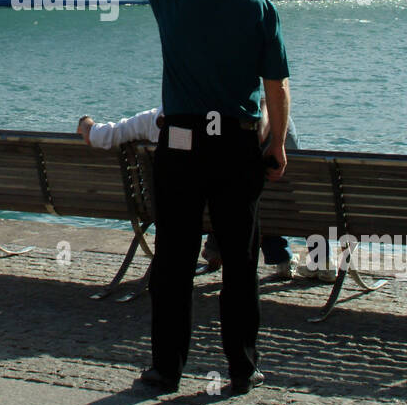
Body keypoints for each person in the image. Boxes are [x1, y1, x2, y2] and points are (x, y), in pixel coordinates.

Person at [131, 0, 290, 396]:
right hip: (237, 147)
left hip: (180, 144)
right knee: (241, 263)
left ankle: (165, 370)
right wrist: (277, 141)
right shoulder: (260, 8)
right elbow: (276, 86)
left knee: (174, 259)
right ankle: (242, 368)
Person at [77, 108, 307, 278]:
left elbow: (101, 135)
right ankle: (320, 258)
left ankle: (216, 247)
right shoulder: (233, 125)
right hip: (246, 216)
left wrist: (85, 123)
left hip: (183, 218)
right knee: (248, 179)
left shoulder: (155, 121)